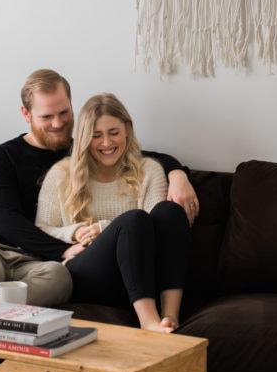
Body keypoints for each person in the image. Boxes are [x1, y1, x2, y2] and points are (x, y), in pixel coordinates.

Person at [0, 69, 200, 308]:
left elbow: (136, 155)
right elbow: (7, 221)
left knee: (59, 279)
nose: (57, 123)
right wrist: (64, 249)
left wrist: (177, 173)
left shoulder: (84, 150)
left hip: (35, 262)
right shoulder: (3, 157)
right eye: (46, 116)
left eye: (64, 113)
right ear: (26, 114)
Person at [35, 93, 192, 332]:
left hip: (137, 273)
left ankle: (170, 316)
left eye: (114, 133)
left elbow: (153, 232)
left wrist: (102, 228)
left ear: (127, 129)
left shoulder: (150, 170)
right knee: (134, 219)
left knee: (168, 211)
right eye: (96, 136)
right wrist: (75, 232)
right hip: (85, 272)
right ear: (84, 139)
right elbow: (41, 230)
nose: (106, 143)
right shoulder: (61, 174)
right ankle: (148, 322)